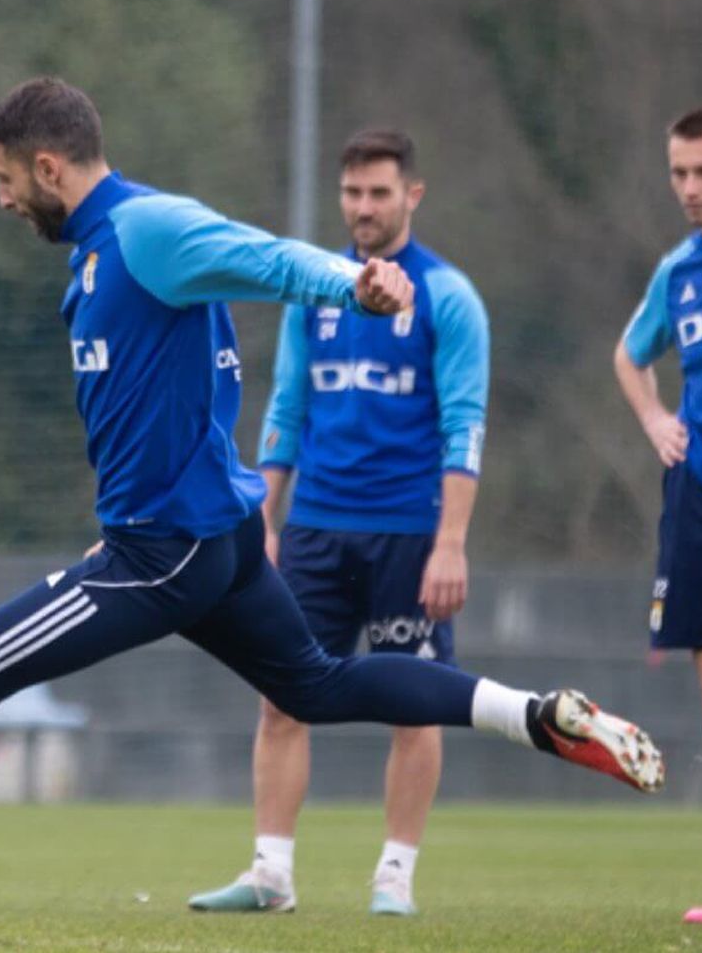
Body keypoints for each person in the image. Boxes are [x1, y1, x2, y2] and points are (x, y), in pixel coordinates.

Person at [0, 77, 664, 927]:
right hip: (202, 541)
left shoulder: (146, 229)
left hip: (164, 549)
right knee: (320, 686)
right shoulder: (97, 247)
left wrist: (356, 282)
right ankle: (537, 714)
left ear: (50, 166)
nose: (0, 197)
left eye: (6, 178)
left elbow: (268, 256)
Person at [189, 129, 488, 917]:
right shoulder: (319, 292)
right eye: (352, 192)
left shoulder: (448, 298)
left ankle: (394, 879)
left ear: (411, 196)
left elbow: (465, 424)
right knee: (281, 695)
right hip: (317, 530)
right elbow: (287, 409)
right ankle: (269, 875)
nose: (363, 207)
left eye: (379, 193)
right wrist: (264, 516)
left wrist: (450, 541)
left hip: (407, 535)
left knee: (415, 702)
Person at [613, 108, 702, 927]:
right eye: (678, 173)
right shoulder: (676, 273)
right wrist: (654, 420)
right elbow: (630, 355)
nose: (691, 189)